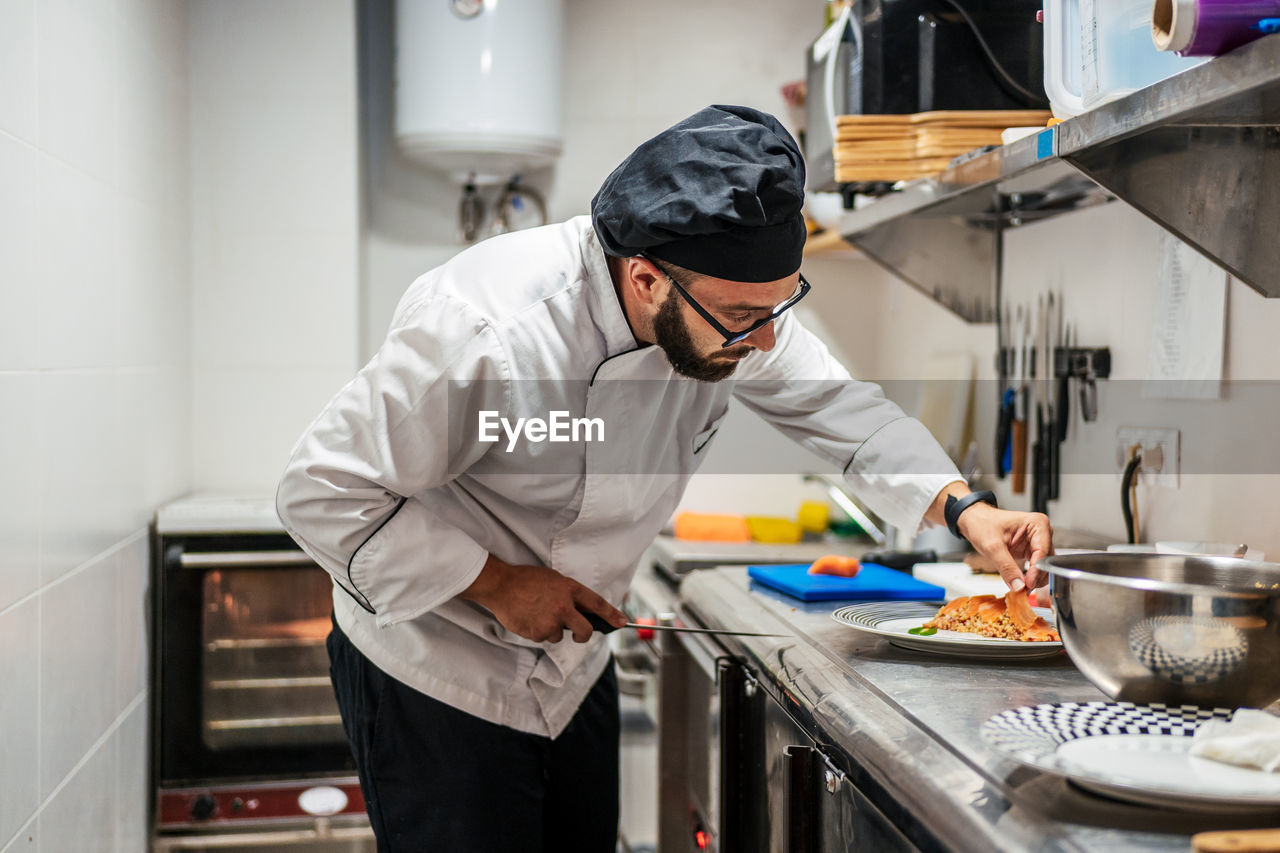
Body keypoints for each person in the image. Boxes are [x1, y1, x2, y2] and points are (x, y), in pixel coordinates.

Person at [276, 104, 1053, 852]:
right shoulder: (484, 328)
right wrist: (499, 583)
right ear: (645, 280)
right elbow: (320, 489)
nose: (766, 338)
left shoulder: (734, 303)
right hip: (434, 669)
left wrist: (966, 509)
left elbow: (842, 408)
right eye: (743, 318)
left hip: (573, 667)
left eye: (779, 308)